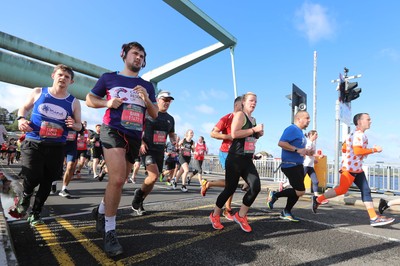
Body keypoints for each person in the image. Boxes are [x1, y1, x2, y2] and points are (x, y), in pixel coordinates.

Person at [86, 41, 158, 257]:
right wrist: (106, 104)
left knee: (120, 180)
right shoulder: (109, 77)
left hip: (134, 135)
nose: (139, 58)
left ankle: (100, 211)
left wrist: (145, 98)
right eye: (135, 53)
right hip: (113, 130)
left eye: (142, 56)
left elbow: (154, 114)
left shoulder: (148, 85)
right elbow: (90, 99)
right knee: (117, 179)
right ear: (123, 54)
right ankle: (110, 231)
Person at [8, 64, 82, 226]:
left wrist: (73, 124)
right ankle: (26, 196)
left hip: (57, 146)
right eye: (60, 75)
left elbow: (79, 126)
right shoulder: (38, 92)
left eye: (67, 77)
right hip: (33, 142)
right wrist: (21, 119)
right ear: (53, 76)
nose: (63, 78)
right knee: (32, 175)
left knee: (48, 181)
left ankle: (35, 213)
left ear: (71, 82)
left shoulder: (73, 102)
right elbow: (24, 108)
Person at [312, 113, 395, 227]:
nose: (370, 121)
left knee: (366, 191)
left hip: (356, 168)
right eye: (368, 119)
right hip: (350, 168)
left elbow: (345, 148)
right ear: (360, 122)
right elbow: (357, 151)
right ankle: (318, 199)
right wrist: (374, 149)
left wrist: (350, 157)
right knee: (341, 190)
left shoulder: (353, 134)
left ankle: (374, 218)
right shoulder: (359, 135)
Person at [209, 92, 264, 233]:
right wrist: (253, 130)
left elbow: (249, 138)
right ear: (243, 103)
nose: (254, 103)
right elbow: (234, 134)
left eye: (256, 101)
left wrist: (257, 134)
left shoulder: (253, 119)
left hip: (247, 159)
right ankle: (215, 214)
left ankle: (241, 215)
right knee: (230, 189)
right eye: (251, 100)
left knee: (256, 186)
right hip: (235, 158)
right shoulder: (240, 115)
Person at [131, 90, 176, 216]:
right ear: (157, 99)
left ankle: (140, 201)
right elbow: (136, 126)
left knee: (153, 180)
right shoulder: (148, 112)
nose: (167, 103)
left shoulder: (170, 119)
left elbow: (171, 134)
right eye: (164, 100)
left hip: (160, 151)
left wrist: (173, 140)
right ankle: (138, 195)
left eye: (169, 101)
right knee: (154, 176)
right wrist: (141, 142)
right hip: (147, 149)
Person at [266, 110, 313, 222]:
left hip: (298, 165)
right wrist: (297, 149)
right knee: (300, 191)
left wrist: (306, 152)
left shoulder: (301, 133)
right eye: (307, 118)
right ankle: (275, 194)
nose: (309, 120)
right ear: (298, 119)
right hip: (290, 165)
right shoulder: (292, 129)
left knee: (297, 190)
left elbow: (298, 149)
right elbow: (281, 143)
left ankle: (286, 211)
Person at [203, 96, 242, 221]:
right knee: (232, 183)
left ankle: (209, 184)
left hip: (238, 154)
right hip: (226, 152)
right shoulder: (226, 118)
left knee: (232, 182)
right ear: (237, 105)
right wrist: (228, 136)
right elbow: (213, 133)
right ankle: (227, 210)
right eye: (243, 104)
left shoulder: (244, 119)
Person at [303, 130, 328, 204]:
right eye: (316, 134)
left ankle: (316, 195)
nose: (317, 136)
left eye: (317, 134)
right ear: (311, 135)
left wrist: (314, 160)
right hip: (305, 165)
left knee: (315, 181)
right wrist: (318, 155)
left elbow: (311, 154)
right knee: (299, 180)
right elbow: (307, 153)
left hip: (310, 166)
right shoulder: (308, 143)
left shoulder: (313, 144)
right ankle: (284, 185)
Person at [58, 125, 83, 197]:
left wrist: (81, 136)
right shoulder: (61, 119)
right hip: (60, 145)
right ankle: (54, 183)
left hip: (72, 148)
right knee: (56, 167)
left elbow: (82, 132)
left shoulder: (78, 123)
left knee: (70, 166)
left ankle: (64, 189)